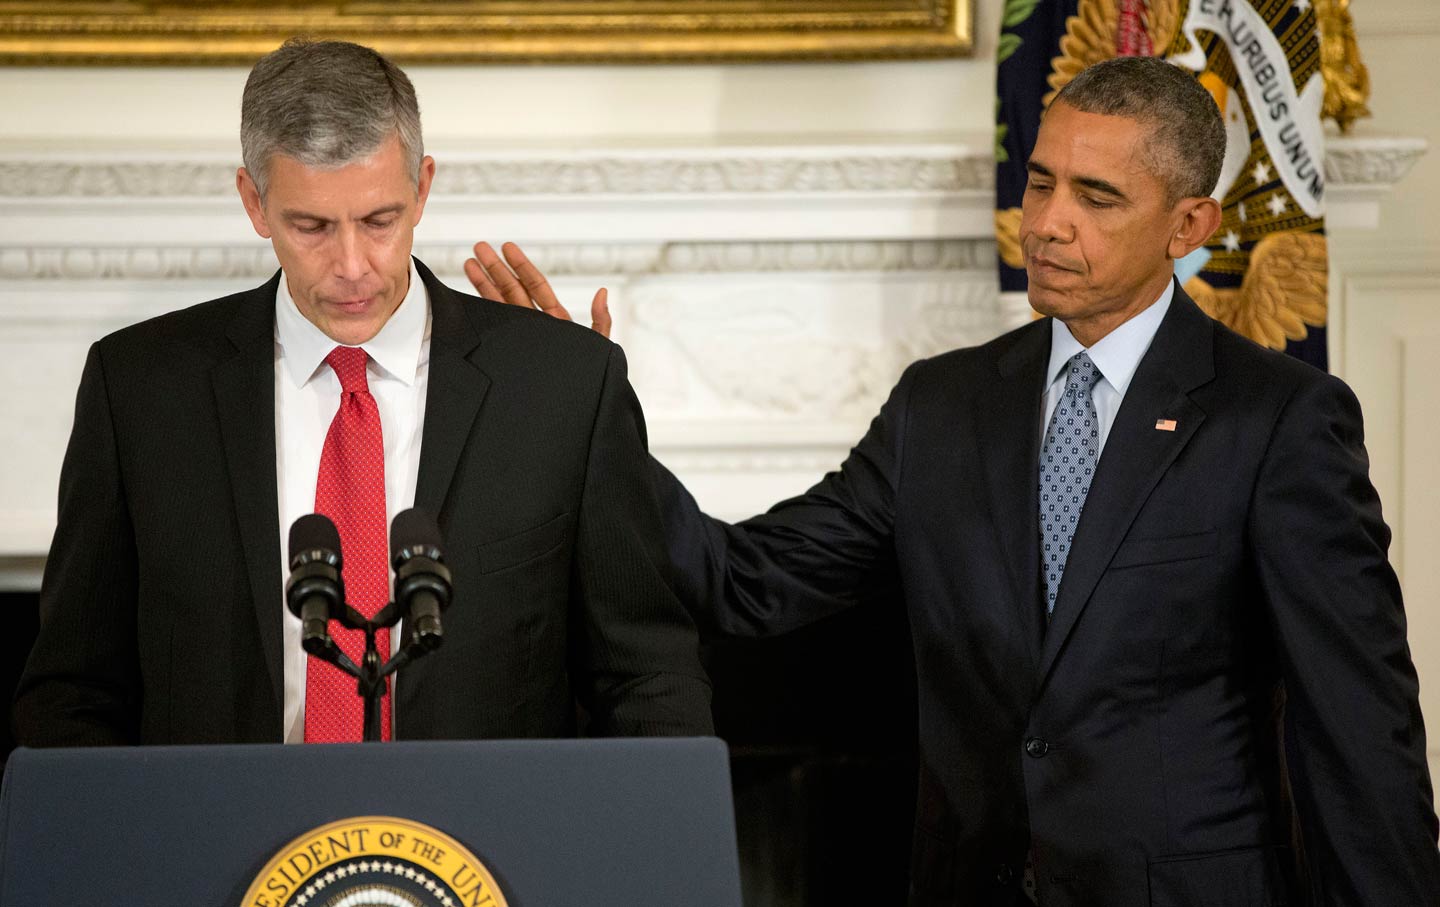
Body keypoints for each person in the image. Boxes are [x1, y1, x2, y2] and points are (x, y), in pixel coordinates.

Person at [467, 57, 1440, 905]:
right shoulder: (944, 404)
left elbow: (1359, 731)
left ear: (1190, 223)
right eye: (1042, 181)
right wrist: (587, 417)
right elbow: (744, 582)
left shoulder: (1278, 419)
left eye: (1098, 198)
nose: (1050, 224)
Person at [13, 38, 711, 747]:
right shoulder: (139, 390)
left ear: (423, 189)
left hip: (482, 846)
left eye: (379, 220)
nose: (351, 265)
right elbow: (74, 691)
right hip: (220, 845)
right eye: (311, 225)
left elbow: (646, 675)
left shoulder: (565, 385)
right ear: (254, 202)